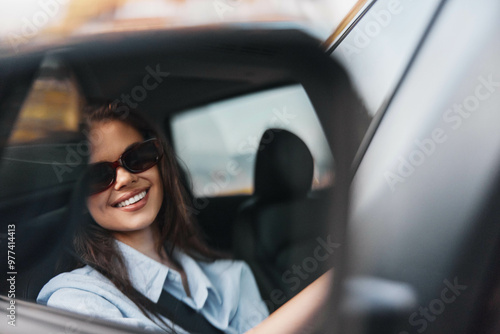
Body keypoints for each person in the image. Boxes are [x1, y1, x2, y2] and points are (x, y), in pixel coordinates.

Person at [37, 102, 269, 333]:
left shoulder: (232, 277)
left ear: (160, 163)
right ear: (79, 199)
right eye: (98, 175)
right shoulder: (78, 300)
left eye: (137, 157)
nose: (125, 178)